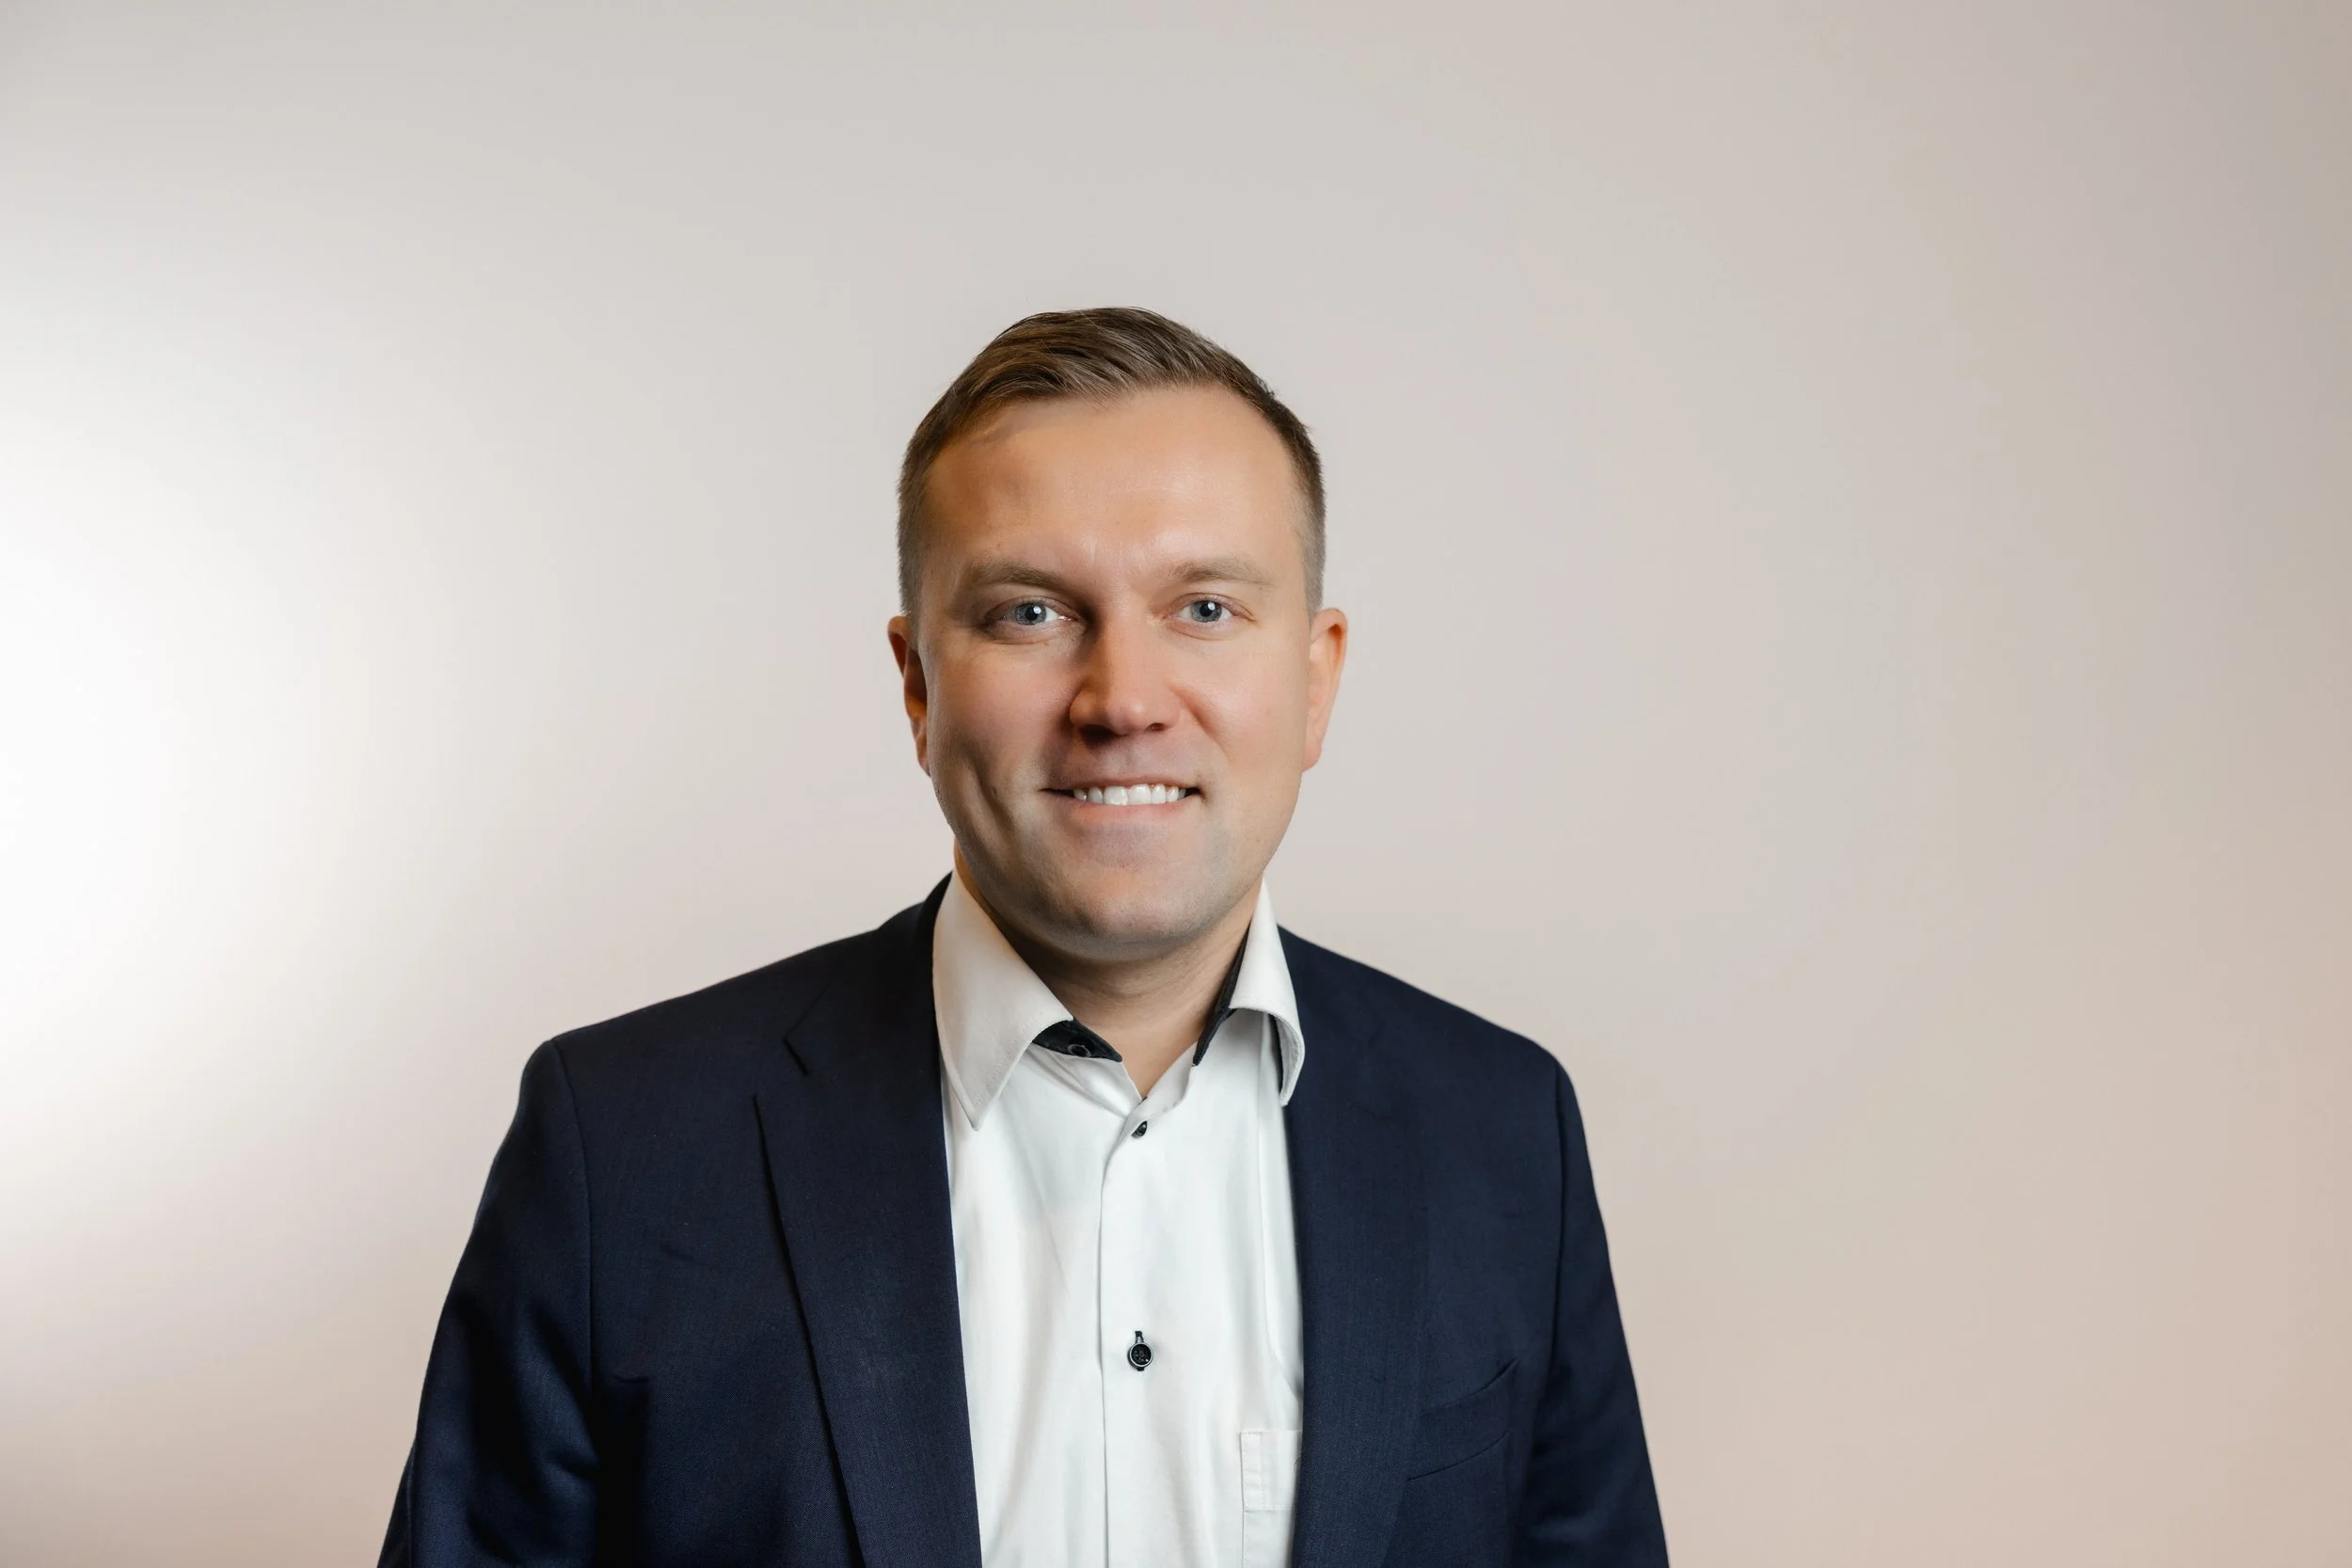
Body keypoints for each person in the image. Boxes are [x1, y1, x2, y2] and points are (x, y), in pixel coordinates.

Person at [379, 307, 1668, 1567]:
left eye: (1206, 608)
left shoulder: (1506, 1134)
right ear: (916, 685)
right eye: (1030, 613)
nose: (1121, 700)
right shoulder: (624, 1146)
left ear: (1317, 675)